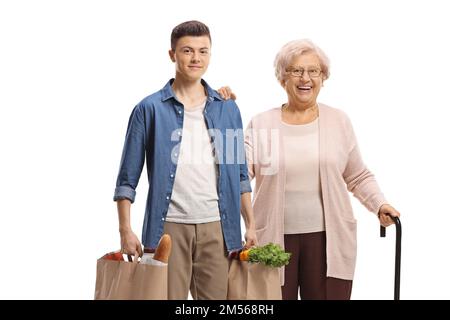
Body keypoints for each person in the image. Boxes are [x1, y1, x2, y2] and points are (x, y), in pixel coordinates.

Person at [241, 39, 400, 300]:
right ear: (283, 78)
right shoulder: (261, 124)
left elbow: (357, 175)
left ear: (323, 77)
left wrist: (379, 204)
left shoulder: (338, 121)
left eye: (313, 71)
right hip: (272, 238)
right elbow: (240, 178)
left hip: (328, 239)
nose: (306, 78)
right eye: (296, 71)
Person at [113, 20, 257, 300]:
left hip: (218, 227)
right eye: (187, 51)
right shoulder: (148, 109)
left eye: (203, 51)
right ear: (172, 55)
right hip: (168, 228)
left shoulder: (227, 109)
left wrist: (249, 224)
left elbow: (239, 175)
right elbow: (127, 179)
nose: (196, 58)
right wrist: (125, 230)